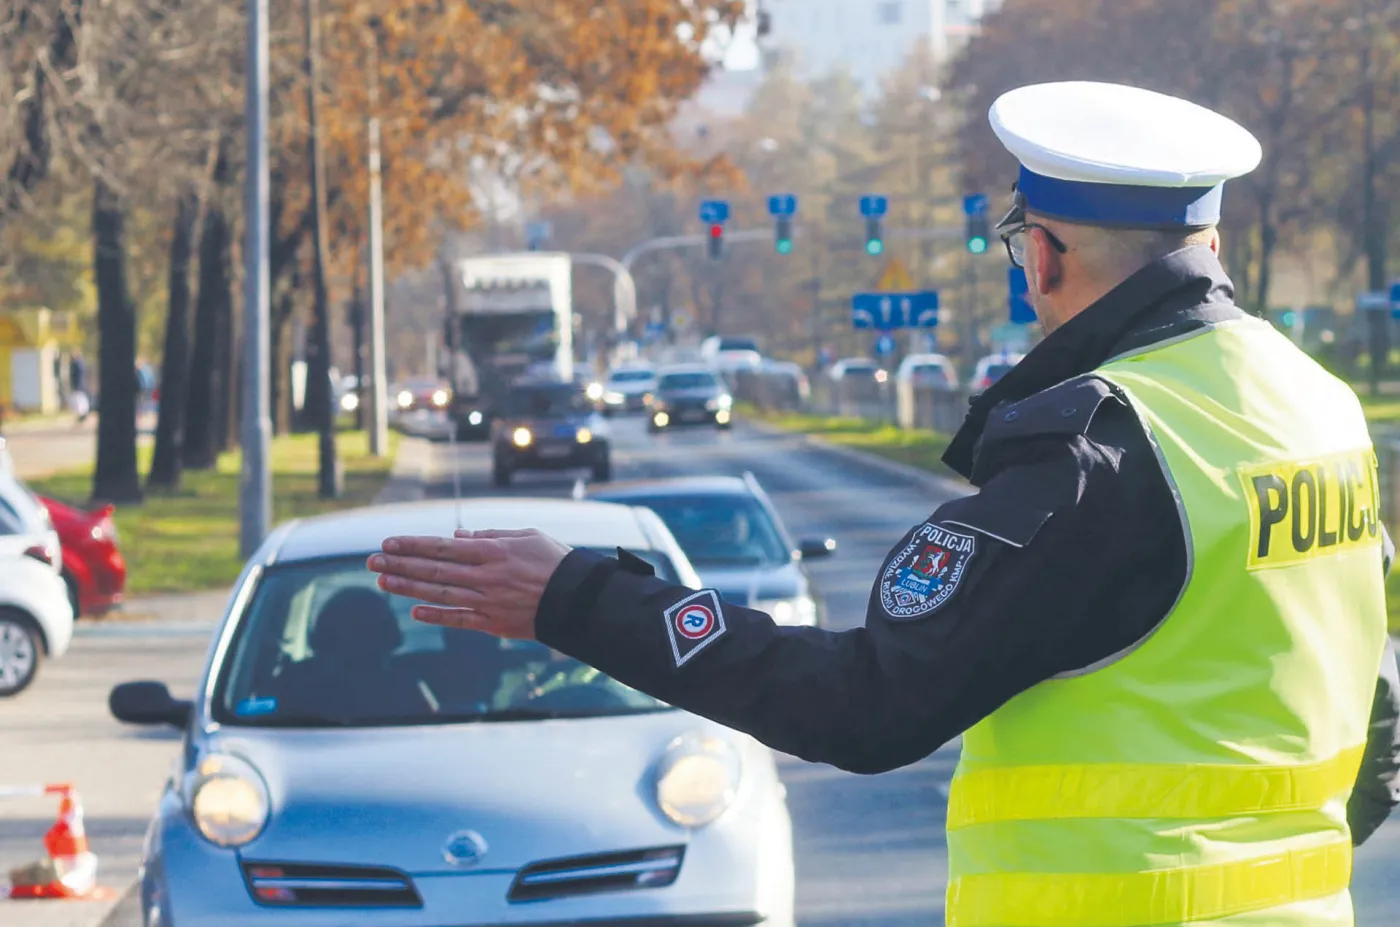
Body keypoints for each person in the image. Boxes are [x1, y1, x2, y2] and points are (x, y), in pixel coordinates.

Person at [369, 81, 1400, 926]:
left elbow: (864, 707)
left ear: (1037, 254)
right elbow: (1372, 685)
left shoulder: (1099, 443)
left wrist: (575, 597)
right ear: (1206, 242)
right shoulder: (1310, 402)